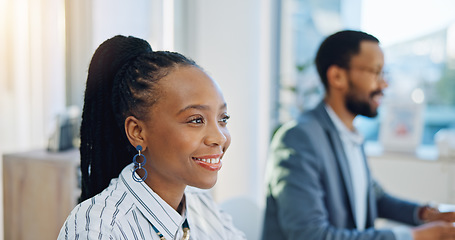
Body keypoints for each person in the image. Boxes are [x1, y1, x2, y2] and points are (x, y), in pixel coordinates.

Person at [262, 30, 455, 240]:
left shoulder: (350, 133)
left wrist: (427, 214)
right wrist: (414, 236)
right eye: (376, 72)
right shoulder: (298, 139)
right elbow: (310, 235)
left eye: (384, 73)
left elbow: (372, 196)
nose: (384, 84)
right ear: (337, 76)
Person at [58, 35, 246, 240]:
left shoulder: (202, 207)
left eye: (223, 118)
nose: (219, 137)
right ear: (137, 132)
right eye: (196, 120)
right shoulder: (98, 230)